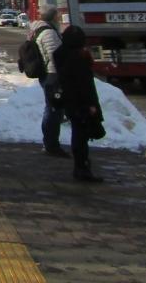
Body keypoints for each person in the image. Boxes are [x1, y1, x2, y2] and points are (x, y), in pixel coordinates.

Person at [53, 24, 105, 182]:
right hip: (81, 102)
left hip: (70, 101)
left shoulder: (61, 54)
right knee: (81, 135)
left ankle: (80, 167)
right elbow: (85, 84)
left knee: (78, 133)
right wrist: (91, 105)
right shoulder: (78, 58)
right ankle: (82, 168)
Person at [28, 6, 66, 157]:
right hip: (52, 75)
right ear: (53, 17)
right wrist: (62, 74)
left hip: (48, 74)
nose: (60, 18)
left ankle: (50, 143)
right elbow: (55, 56)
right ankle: (51, 144)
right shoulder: (49, 32)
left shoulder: (38, 30)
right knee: (53, 110)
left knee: (52, 108)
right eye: (58, 16)